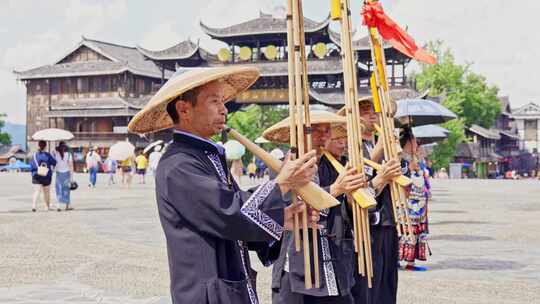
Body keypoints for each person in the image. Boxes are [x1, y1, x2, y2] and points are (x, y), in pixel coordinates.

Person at [127, 66, 321, 304]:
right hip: (207, 292)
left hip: (227, 286)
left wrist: (284, 219)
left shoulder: (207, 157)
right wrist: (282, 183)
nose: (224, 109)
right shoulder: (178, 165)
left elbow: (237, 210)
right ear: (184, 109)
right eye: (214, 101)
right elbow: (228, 212)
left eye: (222, 100)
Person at [263, 111, 369, 304]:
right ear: (299, 134)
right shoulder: (285, 167)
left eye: (327, 130)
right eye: (314, 130)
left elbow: (346, 213)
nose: (322, 135)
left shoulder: (334, 166)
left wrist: (356, 195)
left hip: (333, 262)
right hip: (298, 263)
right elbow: (291, 208)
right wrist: (336, 189)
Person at [345, 96, 403, 304]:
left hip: (387, 221)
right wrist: (379, 150)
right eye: (365, 110)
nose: (372, 115)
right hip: (365, 227)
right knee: (367, 286)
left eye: (374, 110)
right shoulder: (350, 146)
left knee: (386, 286)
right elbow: (360, 180)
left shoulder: (377, 142)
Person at [399, 126, 430, 271]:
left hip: (418, 203)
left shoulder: (414, 159)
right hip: (407, 203)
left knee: (416, 232)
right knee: (405, 231)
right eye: (414, 142)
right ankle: (402, 259)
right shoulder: (401, 160)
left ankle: (411, 261)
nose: (416, 145)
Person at [30, 140, 57, 212]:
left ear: (38, 146)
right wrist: (53, 155)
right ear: (45, 146)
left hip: (36, 175)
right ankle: (46, 207)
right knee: (46, 192)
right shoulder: (48, 155)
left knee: (37, 191)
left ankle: (34, 206)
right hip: (46, 175)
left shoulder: (34, 155)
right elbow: (54, 162)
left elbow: (31, 166)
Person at [52, 141, 74, 211]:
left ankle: (58, 205)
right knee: (66, 189)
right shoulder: (68, 155)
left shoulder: (56, 154)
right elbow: (71, 166)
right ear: (65, 147)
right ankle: (67, 206)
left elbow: (53, 163)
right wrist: (72, 177)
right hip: (66, 173)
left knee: (59, 189)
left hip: (58, 173)